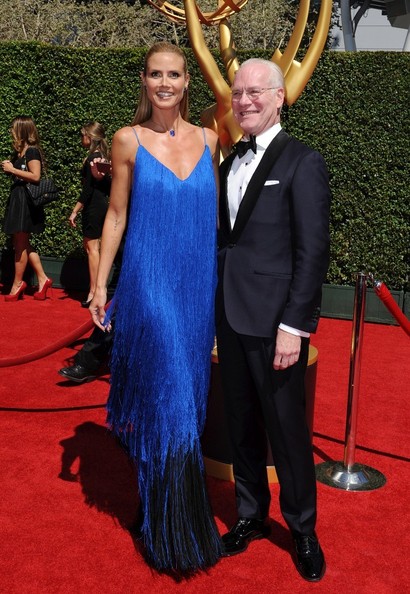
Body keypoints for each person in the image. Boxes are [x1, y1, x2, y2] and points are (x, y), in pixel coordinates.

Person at [89, 42, 222, 575]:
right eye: (155, 74)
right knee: (168, 394)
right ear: (144, 81)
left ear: (187, 82)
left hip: (197, 288)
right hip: (148, 285)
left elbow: (217, 220)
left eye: (174, 74)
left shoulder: (211, 140)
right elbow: (116, 215)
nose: (165, 83)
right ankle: (175, 530)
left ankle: (157, 507)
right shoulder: (127, 139)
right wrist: (101, 284)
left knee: (187, 397)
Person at [216, 59, 331, 582]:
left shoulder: (303, 161)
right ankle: (250, 514)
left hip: (275, 324)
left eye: (255, 92)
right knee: (240, 423)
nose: (244, 101)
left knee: (286, 430)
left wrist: (294, 326)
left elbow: (312, 252)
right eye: (238, 92)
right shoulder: (228, 163)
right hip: (229, 316)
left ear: (280, 97)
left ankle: (302, 529)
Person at [1, 116, 53, 302]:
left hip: (25, 201)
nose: (11, 131)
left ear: (22, 131)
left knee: (20, 243)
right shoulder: (20, 152)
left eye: (14, 128)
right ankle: (43, 278)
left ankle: (17, 284)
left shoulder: (32, 151)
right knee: (21, 242)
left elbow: (36, 176)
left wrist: (13, 170)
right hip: (18, 199)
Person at [69, 122, 110, 307]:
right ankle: (97, 289)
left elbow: (88, 189)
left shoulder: (93, 158)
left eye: (82, 135)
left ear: (90, 137)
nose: (81, 139)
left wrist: (75, 211)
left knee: (91, 248)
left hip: (93, 206)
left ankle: (94, 291)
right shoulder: (103, 157)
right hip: (102, 205)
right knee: (95, 248)